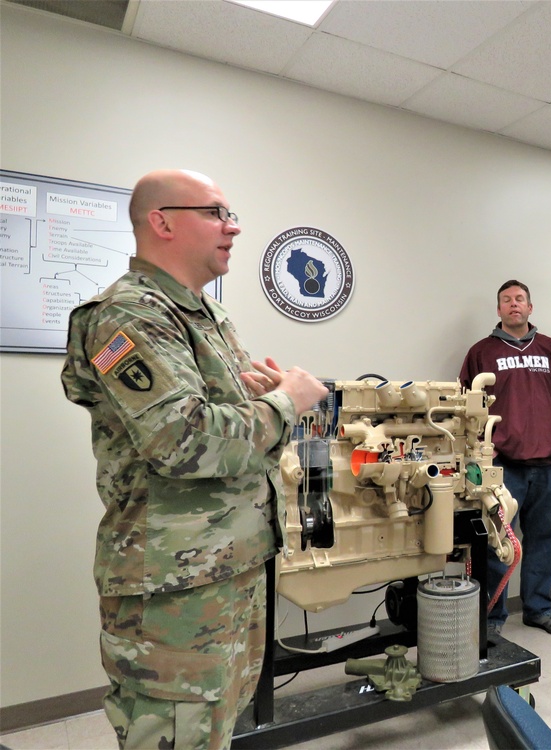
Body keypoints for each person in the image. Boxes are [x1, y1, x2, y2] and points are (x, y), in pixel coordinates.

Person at [61, 169, 329, 750]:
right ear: (161, 222)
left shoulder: (203, 315)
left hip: (227, 569)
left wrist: (262, 401)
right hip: (173, 586)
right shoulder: (128, 315)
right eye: (215, 213)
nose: (232, 227)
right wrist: (288, 402)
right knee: (177, 735)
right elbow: (184, 442)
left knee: (215, 730)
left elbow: (226, 432)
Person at [460, 280, 551, 643]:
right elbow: (466, 405)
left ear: (530, 307)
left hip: (548, 463)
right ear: (498, 310)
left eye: (520, 299)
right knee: (498, 541)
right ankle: (493, 616)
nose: (514, 305)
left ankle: (539, 609)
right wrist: (477, 450)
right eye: (506, 300)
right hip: (502, 466)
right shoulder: (481, 352)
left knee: (542, 537)